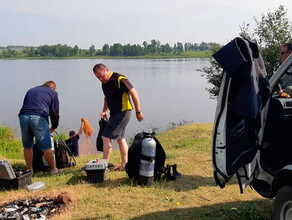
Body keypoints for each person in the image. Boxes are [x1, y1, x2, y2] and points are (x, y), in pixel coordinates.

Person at [93, 63, 144, 171]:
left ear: (106, 70)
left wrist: (138, 111)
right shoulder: (104, 83)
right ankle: (124, 165)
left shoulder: (119, 79)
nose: (101, 79)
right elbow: (106, 97)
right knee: (120, 139)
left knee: (105, 136)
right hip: (114, 113)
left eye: (102, 75)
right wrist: (104, 110)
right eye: (98, 77)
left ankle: (104, 166)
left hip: (123, 112)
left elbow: (134, 93)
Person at [19, 80, 60, 174]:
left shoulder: (31, 90)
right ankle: (53, 169)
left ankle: (29, 170)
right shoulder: (53, 93)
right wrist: (54, 126)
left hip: (23, 117)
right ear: (53, 88)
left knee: (27, 146)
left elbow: (25, 106)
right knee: (46, 147)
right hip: (38, 118)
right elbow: (54, 112)